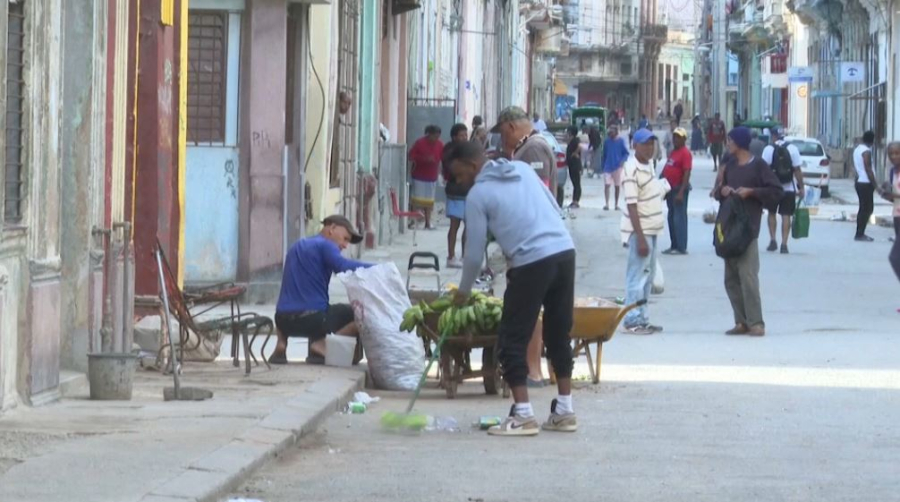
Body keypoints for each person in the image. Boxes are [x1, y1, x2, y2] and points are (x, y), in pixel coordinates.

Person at [449, 140, 577, 436]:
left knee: (511, 340)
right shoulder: (521, 169)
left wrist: (464, 292)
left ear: (472, 166)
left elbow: (473, 253)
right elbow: (554, 206)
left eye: (458, 176)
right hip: (564, 251)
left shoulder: (478, 194)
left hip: (531, 261)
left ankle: (522, 414)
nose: (459, 183)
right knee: (559, 334)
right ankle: (565, 410)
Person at [269, 216, 372, 364]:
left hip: (282, 321)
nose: (344, 245)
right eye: (345, 238)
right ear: (332, 228)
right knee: (362, 313)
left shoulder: (297, 245)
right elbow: (342, 266)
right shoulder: (326, 245)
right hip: (313, 320)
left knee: (298, 303)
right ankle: (321, 345)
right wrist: (378, 268)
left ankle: (281, 344)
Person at [714, 127, 783, 337]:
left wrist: (751, 192)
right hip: (728, 227)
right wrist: (722, 191)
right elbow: (717, 191)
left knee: (748, 276)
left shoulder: (759, 166)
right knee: (731, 278)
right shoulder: (729, 166)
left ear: (740, 143)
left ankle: (756, 322)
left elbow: (776, 191)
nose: (727, 143)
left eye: (730, 140)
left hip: (748, 228)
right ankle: (741, 321)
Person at [621, 129, 670, 334]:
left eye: (652, 144)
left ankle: (642, 317)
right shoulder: (631, 169)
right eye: (645, 144)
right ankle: (632, 319)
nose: (650, 148)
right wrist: (640, 238)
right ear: (635, 146)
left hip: (652, 229)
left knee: (647, 278)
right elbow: (632, 205)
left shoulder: (648, 165)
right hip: (639, 232)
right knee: (637, 277)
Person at [492, 106, 556, 195]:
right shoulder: (527, 145)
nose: (502, 140)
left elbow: (538, 194)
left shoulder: (533, 148)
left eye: (502, 133)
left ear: (511, 127)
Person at [762, 127, 805, 254]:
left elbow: (763, 170)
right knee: (786, 215)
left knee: (771, 213)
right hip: (789, 188)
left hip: (772, 188)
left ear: (773, 135)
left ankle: (773, 239)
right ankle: (784, 244)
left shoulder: (768, 149)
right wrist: (801, 187)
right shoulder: (792, 149)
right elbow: (797, 170)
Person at [661, 128, 692, 255]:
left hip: (679, 189)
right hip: (670, 189)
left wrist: (681, 192)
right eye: (674, 137)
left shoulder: (685, 153)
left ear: (684, 139)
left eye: (678, 137)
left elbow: (687, 173)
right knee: (671, 217)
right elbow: (667, 168)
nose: (675, 139)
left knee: (679, 218)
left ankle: (681, 247)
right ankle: (674, 244)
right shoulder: (674, 152)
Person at [443, 123, 470, 268]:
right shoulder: (450, 150)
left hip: (468, 192)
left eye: (466, 135)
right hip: (455, 192)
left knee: (469, 225)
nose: (465, 138)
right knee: (454, 225)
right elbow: (452, 169)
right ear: (454, 137)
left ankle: (465, 256)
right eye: (461, 135)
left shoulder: (468, 149)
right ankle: (451, 256)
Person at [408, 125, 444, 229]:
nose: (436, 139)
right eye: (434, 136)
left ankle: (428, 222)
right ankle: (413, 221)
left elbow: (442, 158)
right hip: (418, 176)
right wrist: (424, 159)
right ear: (429, 134)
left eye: (438, 137)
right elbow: (411, 156)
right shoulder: (419, 143)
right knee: (416, 201)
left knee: (429, 201)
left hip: (431, 176)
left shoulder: (440, 144)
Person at [879, 142, 900, 283]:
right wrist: (886, 195)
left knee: (895, 257)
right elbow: (895, 199)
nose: (894, 156)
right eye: (891, 154)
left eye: (897, 153)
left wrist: (894, 195)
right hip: (897, 216)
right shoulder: (893, 171)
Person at [853, 130, 877, 242]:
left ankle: (860, 232)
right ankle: (860, 233)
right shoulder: (866, 151)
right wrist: (875, 183)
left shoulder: (857, 150)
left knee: (863, 208)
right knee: (867, 209)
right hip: (865, 183)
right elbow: (868, 168)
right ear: (871, 140)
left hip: (859, 181)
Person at [601, 125, 629, 211]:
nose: (611, 134)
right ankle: (606, 204)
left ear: (616, 132)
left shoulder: (621, 141)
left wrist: (622, 161)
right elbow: (604, 154)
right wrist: (602, 165)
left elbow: (626, 153)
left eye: (612, 132)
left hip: (617, 167)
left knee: (617, 186)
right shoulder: (606, 142)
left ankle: (616, 204)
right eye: (610, 132)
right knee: (607, 185)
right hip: (607, 166)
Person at [565, 125, 583, 208]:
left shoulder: (576, 140)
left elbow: (579, 146)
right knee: (574, 183)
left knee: (576, 183)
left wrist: (575, 153)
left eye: (568, 131)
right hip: (571, 165)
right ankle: (574, 200)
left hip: (575, 165)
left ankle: (576, 201)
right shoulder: (571, 141)